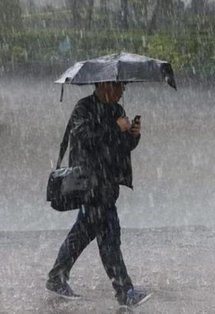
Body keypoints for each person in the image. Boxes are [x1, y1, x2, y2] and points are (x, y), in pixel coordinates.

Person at [46, 81, 152, 308]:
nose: (122, 91)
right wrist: (115, 128)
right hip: (90, 184)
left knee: (84, 233)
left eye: (123, 87)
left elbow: (122, 146)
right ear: (104, 85)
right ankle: (124, 291)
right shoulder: (83, 108)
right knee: (109, 238)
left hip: (108, 183)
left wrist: (132, 135)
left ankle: (57, 276)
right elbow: (85, 138)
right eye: (119, 86)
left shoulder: (117, 110)